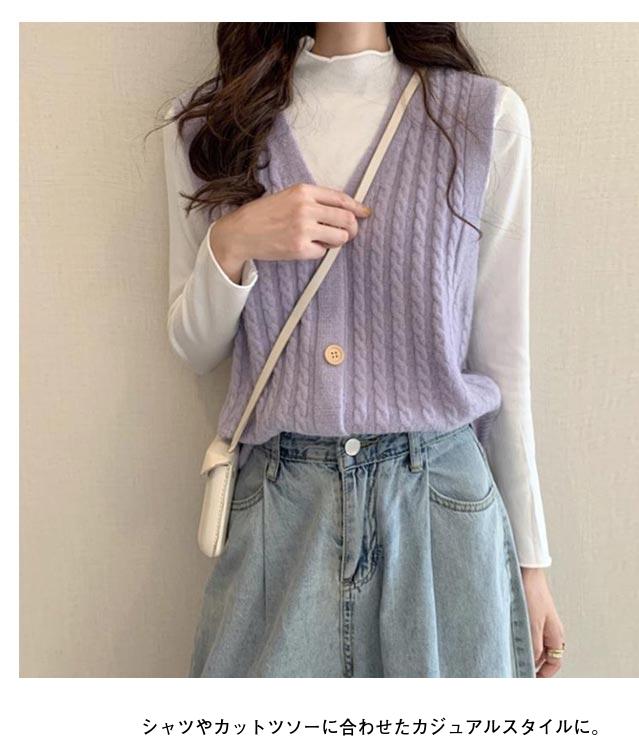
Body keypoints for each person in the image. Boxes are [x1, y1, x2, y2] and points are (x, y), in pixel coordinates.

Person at [160, 21, 565, 677]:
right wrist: (233, 242)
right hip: (282, 510)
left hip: (441, 510)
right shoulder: (209, 125)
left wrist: (531, 564)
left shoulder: (483, 119)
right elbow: (194, 347)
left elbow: (502, 359)